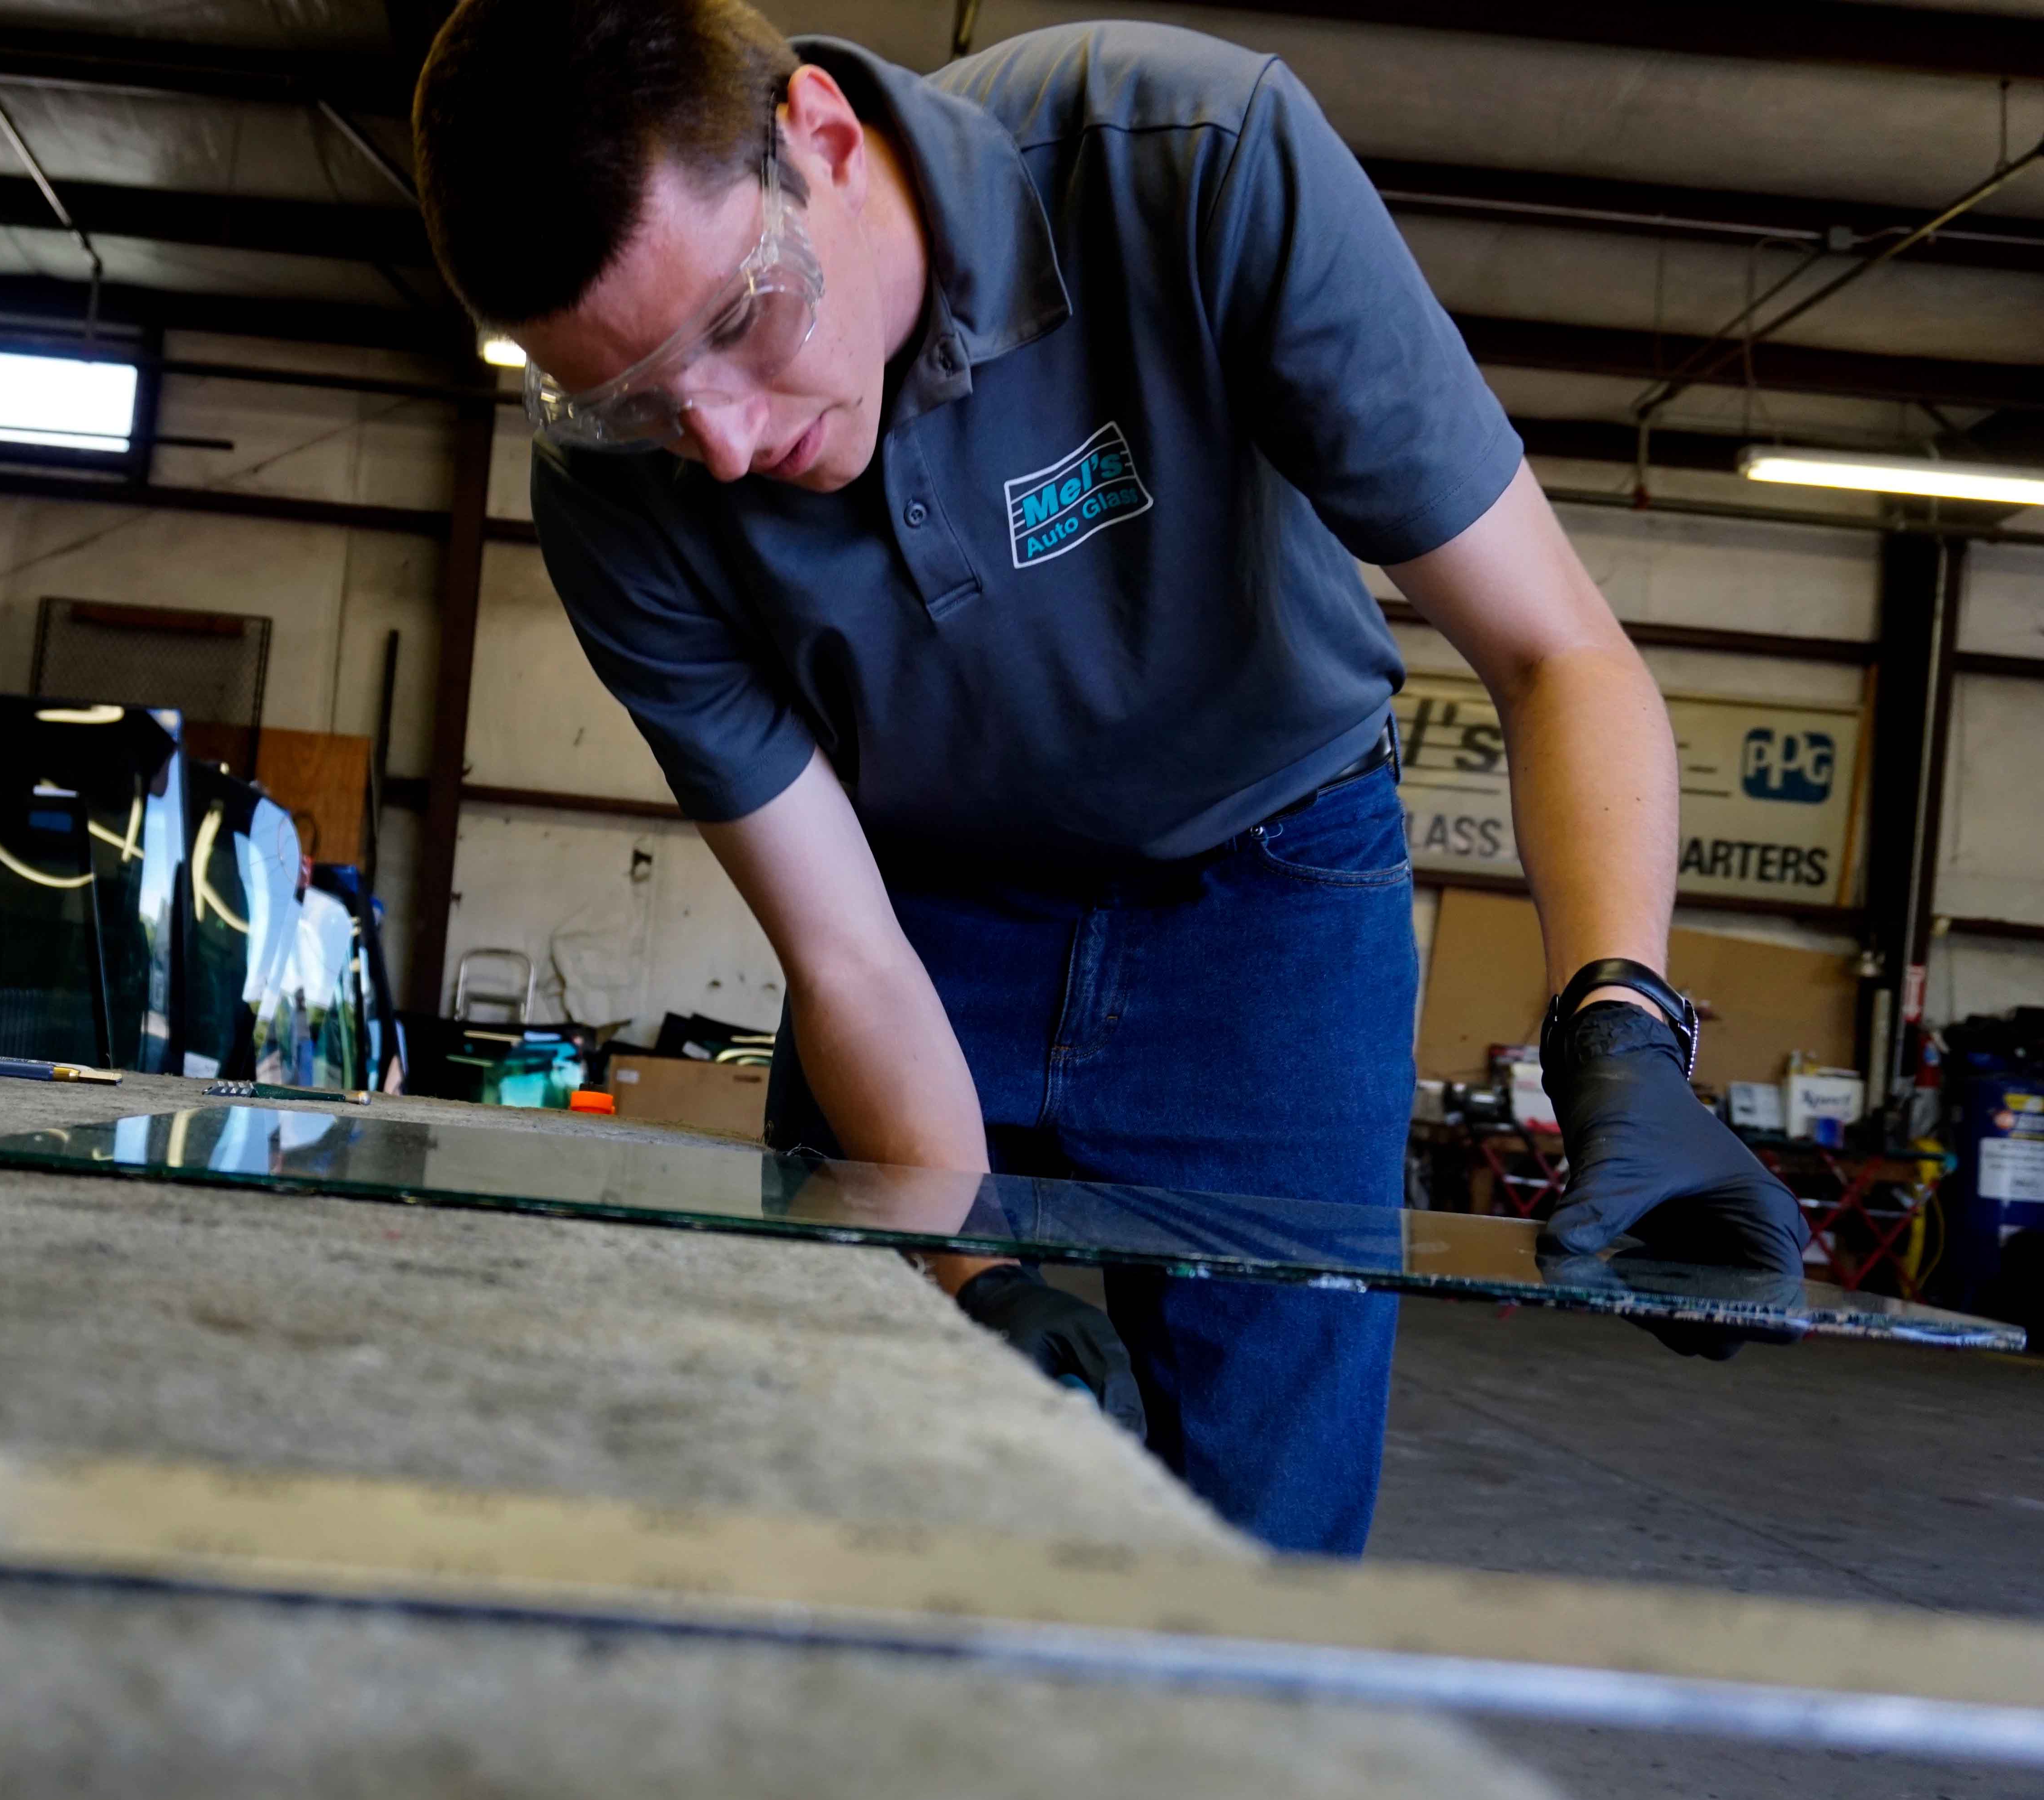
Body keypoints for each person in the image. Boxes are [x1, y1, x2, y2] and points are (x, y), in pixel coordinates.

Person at [411, 0, 1805, 1555]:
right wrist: (973, 1275)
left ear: (820, 137)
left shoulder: (1192, 162)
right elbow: (847, 950)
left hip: (1267, 899)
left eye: (742, 326)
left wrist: (1621, 1039)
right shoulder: (613, 482)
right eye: (638, 397)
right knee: (877, 1517)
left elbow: (1560, 655)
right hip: (924, 927)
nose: (723, 446)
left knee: (1265, 1536)